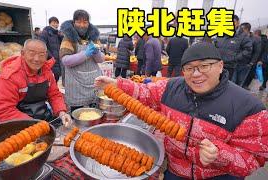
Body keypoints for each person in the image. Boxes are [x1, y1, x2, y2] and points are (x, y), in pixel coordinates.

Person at [95, 42, 267, 179]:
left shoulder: (249, 108)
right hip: (174, 171)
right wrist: (117, 84)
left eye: (204, 66)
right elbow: (146, 93)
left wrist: (222, 155)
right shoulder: (171, 87)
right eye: (189, 68)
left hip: (218, 175)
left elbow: (255, 158)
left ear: (220, 66)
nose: (196, 74)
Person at [0, 39, 71, 127]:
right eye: (32, 54)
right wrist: (33, 124)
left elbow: (54, 94)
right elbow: (4, 111)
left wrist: (61, 112)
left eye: (41, 55)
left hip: (44, 117)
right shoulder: (9, 76)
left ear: (46, 56)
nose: (37, 59)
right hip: (19, 123)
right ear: (23, 54)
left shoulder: (47, 71)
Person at [59, 9, 104, 111]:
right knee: (78, 113)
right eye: (78, 22)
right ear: (74, 22)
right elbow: (65, 60)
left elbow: (101, 59)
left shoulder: (94, 37)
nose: (82, 25)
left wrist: (96, 52)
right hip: (76, 84)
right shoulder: (68, 38)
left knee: (94, 111)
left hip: (92, 82)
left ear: (88, 23)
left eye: (85, 22)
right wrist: (86, 53)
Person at [214, 15, 253, 80]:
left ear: (238, 23)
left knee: (226, 85)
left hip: (231, 67)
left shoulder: (242, 36)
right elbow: (215, 45)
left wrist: (235, 58)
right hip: (217, 64)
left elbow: (248, 50)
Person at [237, 22, 261, 88]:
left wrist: (251, 62)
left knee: (241, 80)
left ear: (246, 29)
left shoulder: (255, 39)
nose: (240, 29)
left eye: (241, 28)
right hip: (237, 61)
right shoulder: (239, 36)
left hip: (246, 63)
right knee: (233, 80)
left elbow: (257, 52)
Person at [39, 17, 63, 82]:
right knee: (48, 80)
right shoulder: (45, 33)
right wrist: (51, 57)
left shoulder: (58, 34)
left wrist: (61, 36)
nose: (56, 24)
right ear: (50, 23)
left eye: (57, 23)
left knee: (56, 78)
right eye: (54, 23)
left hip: (58, 60)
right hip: (49, 61)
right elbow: (42, 45)